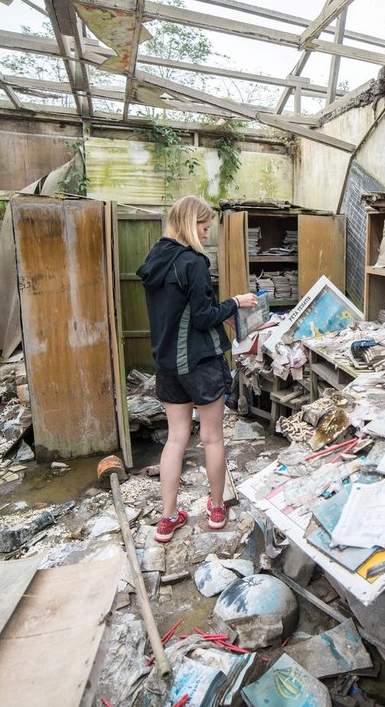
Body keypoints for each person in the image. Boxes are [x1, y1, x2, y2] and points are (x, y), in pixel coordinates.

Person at [136, 195, 259, 543]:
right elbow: (203, 317)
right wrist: (235, 302)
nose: (206, 234)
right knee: (212, 437)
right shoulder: (193, 263)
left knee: (176, 439)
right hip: (199, 363)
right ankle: (216, 508)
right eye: (204, 227)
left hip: (167, 365)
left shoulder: (154, 260)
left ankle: (168, 517)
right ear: (192, 223)